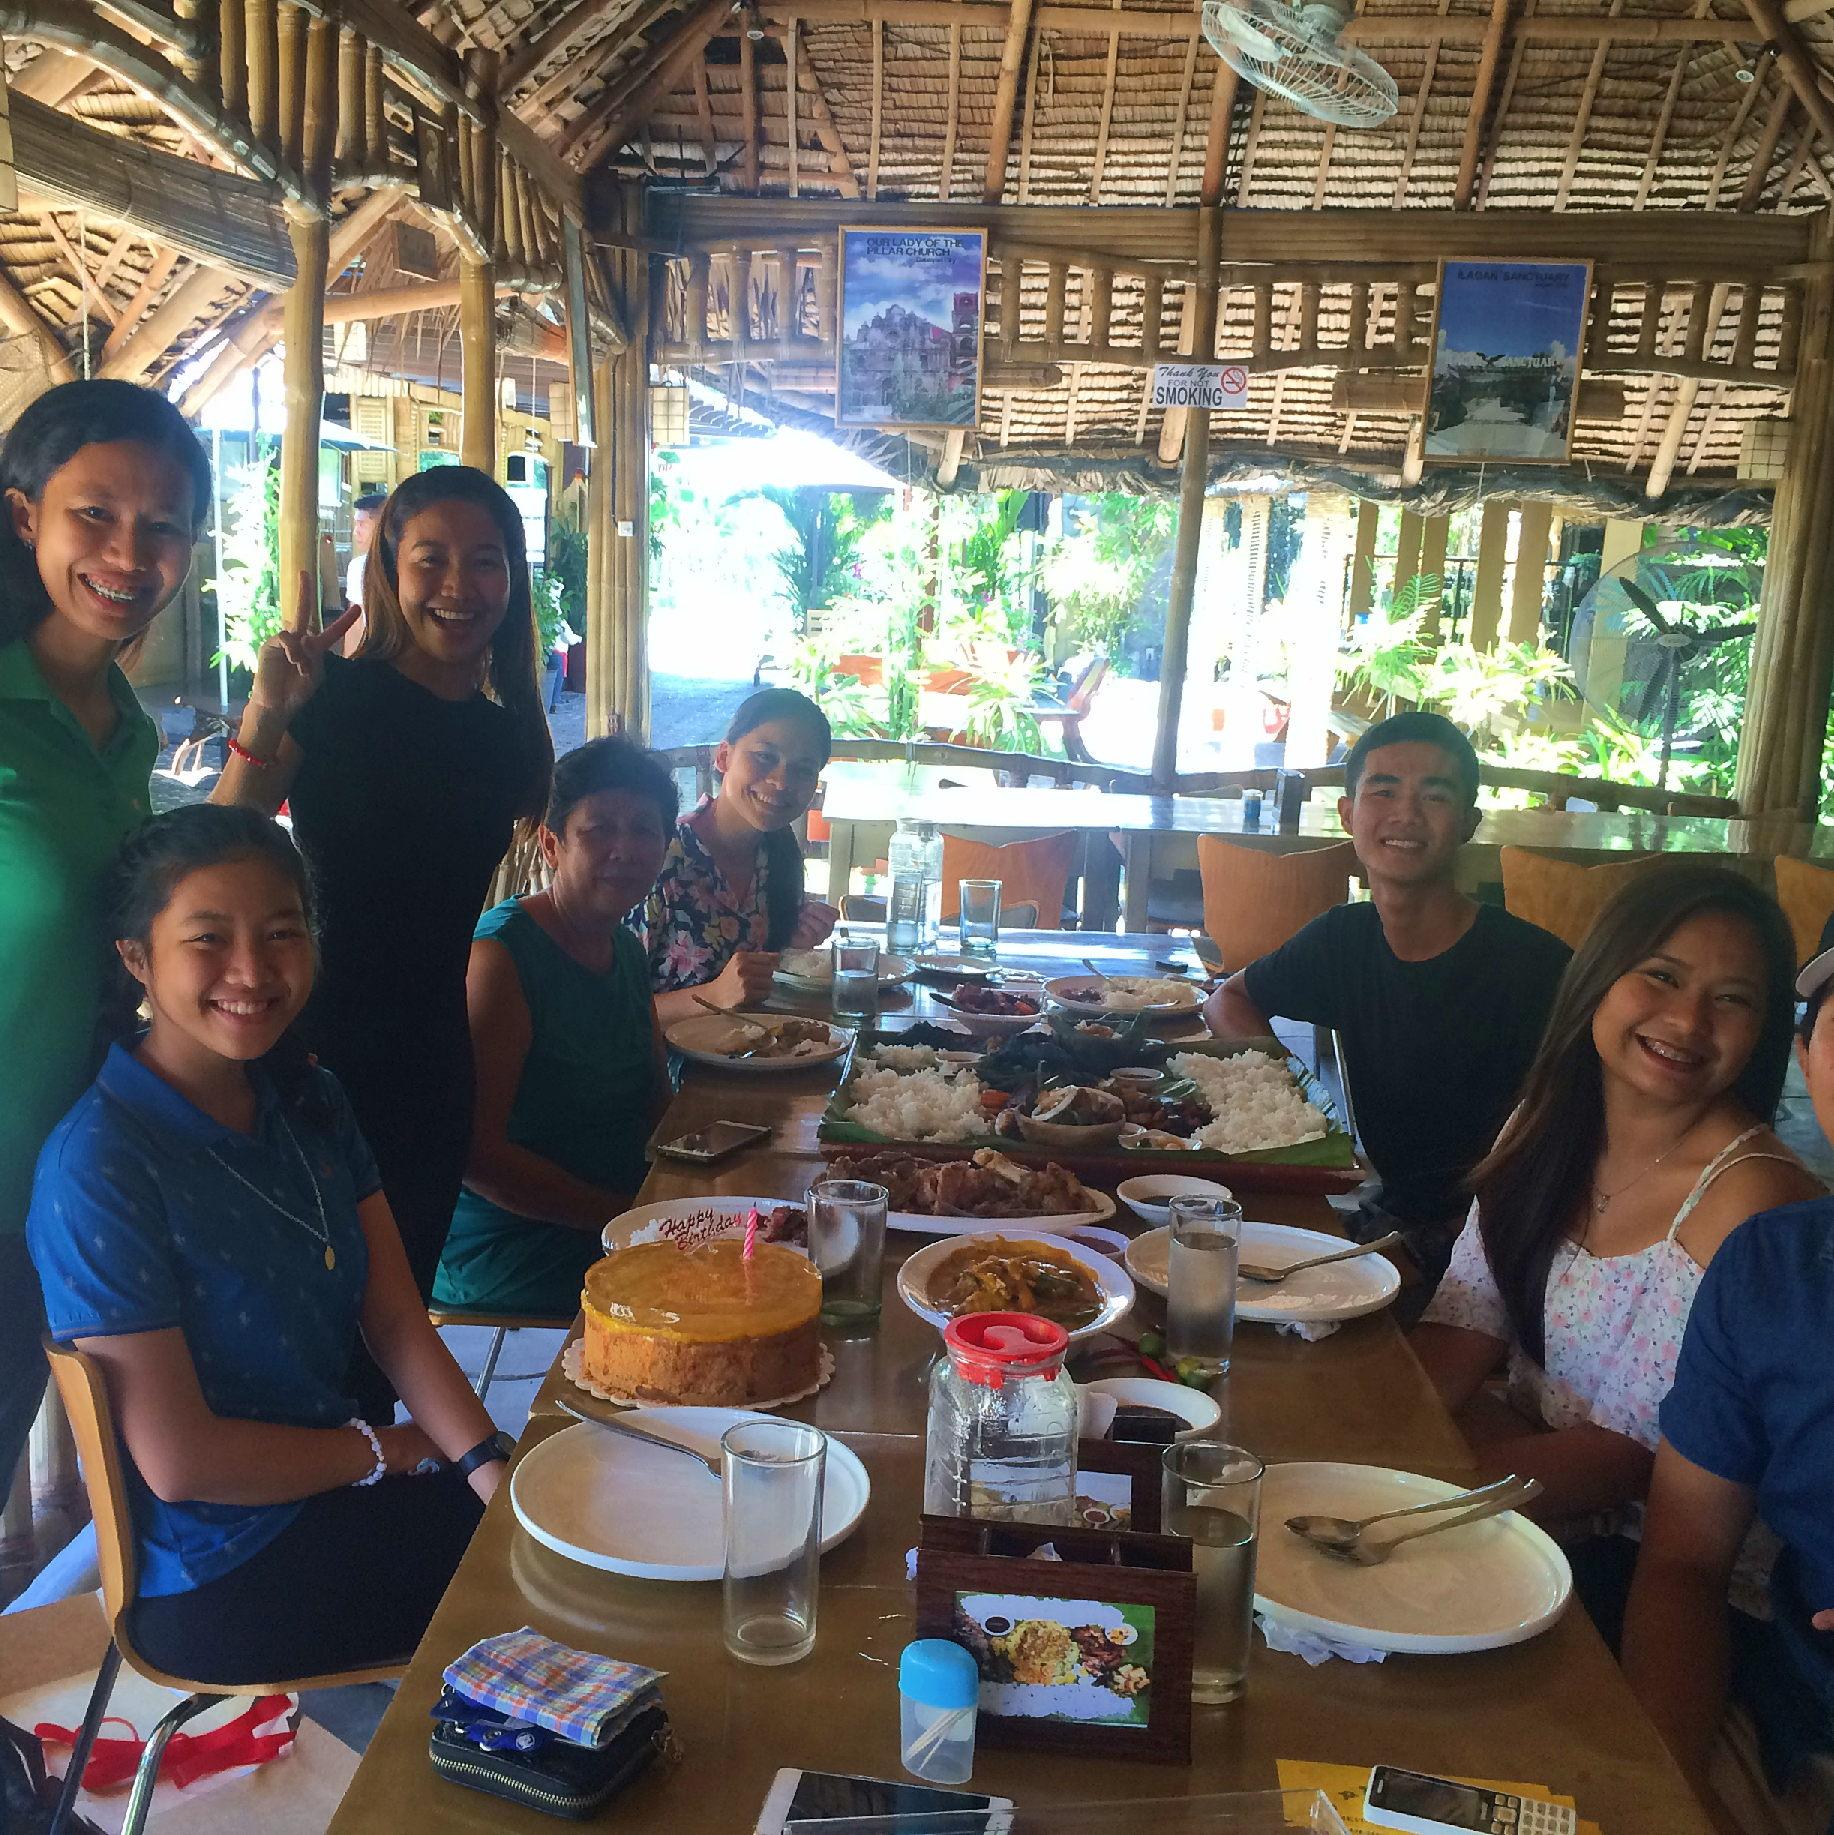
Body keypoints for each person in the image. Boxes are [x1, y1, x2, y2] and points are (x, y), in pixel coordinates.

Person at [26, 806, 506, 1682]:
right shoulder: (101, 1160)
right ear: (137, 956)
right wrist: (381, 1451)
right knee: (570, 1581)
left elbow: (398, 1323)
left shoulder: (309, 1101)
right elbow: (180, 1461)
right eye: (209, 938)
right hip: (220, 1571)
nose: (252, 969)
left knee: (558, 1516)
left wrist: (488, 1468)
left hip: (334, 1498)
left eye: (282, 932)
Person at [213, 466, 552, 1417]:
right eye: (431, 558)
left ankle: (367, 1500)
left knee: (395, 1314)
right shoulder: (333, 701)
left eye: (485, 562)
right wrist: (269, 709)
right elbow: (213, 842)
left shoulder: (506, 739)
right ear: (387, 572)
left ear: (512, 581)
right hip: (313, 1058)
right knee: (306, 1319)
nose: (459, 585)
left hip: (432, 1065)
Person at [1413, 865, 1819, 1645]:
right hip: (1536, 1505)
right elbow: (1466, 1322)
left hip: (1665, 1581)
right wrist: (1361, 1446)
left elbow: (1625, 1458)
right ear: (1599, 974)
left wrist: (1408, 1506)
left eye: (1731, 998)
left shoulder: (1750, 1199)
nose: (1689, 1019)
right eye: (1661, 975)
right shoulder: (1546, 1120)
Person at [0, 378, 211, 1515]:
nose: (131, 550)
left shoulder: (127, 732)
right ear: (24, 512)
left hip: (47, 1187)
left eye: (163, 523)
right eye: (96, 513)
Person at [1202, 710, 1571, 1291]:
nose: (1405, 814)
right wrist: (1287, 1088)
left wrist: (1437, 1249)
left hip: (1503, 1244)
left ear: (1469, 822)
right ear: (1349, 814)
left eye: (1434, 795)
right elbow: (1229, 999)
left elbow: (1575, 1145)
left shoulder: (1532, 967)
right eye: (1384, 790)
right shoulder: (1345, 938)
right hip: (1388, 1217)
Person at [1622, 915, 1834, 1834]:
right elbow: (1683, 1563)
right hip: (1792, 1729)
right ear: (1807, 1056)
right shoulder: (1773, 1270)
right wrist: (1655, 1793)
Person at [434, 737, 675, 1315]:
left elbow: (657, 1103)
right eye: (598, 830)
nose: (624, 848)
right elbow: (479, 1160)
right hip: (515, 1240)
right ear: (551, 844)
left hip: (619, 1211)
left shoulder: (623, 947)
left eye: (645, 829)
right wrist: (628, 1221)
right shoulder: (502, 956)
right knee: (715, 1291)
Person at [636, 686, 839, 1025]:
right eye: (765, 756)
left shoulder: (777, 856)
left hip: (746, 1061)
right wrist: (713, 996)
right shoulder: (660, 859)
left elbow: (750, 987)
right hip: (663, 1070)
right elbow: (605, 1014)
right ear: (723, 757)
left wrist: (790, 949)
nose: (781, 781)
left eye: (803, 769)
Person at [339, 489, 385, 658]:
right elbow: (355, 623)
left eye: (362, 524)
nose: (355, 532)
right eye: (355, 524)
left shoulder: (404, 567)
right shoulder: (357, 567)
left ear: (381, 525)